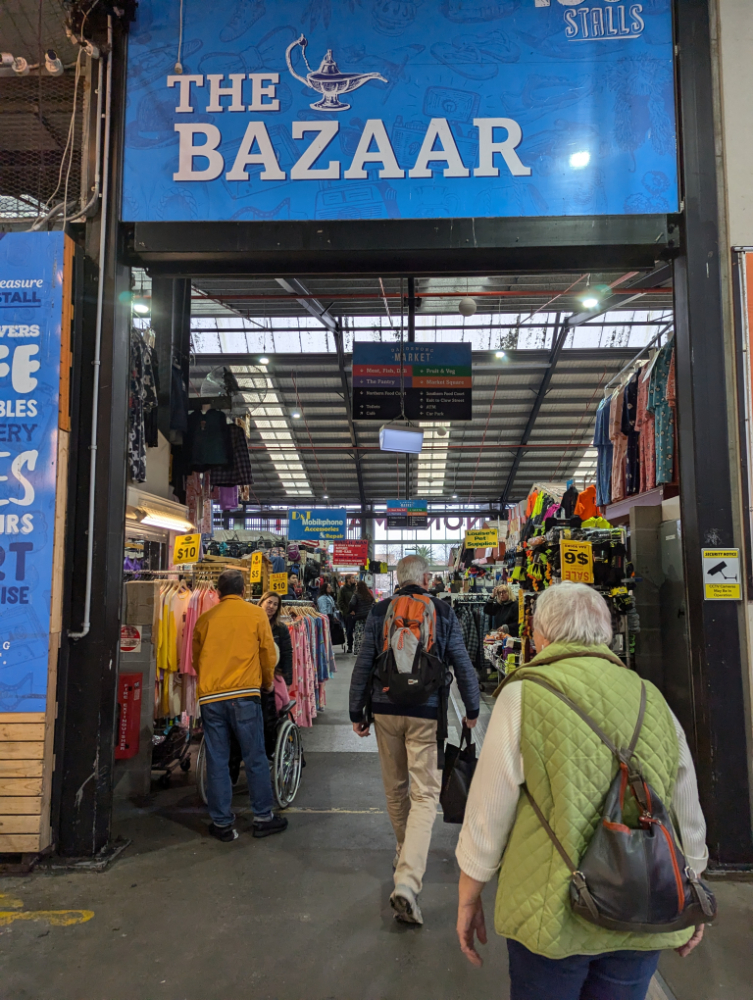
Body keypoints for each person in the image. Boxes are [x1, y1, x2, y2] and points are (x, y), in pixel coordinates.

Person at [455, 582, 708, 998]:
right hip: (642, 904)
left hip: (550, 909)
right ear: (605, 632)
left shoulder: (523, 695)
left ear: (540, 636)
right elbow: (685, 807)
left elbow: (489, 811)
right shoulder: (652, 697)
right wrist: (692, 882)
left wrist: (469, 896)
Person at [349, 555, 481, 927]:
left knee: (396, 788)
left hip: (384, 709)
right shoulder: (442, 610)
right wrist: (473, 707)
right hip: (426, 712)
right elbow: (461, 661)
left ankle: (404, 852)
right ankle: (407, 880)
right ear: (425, 578)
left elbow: (363, 664)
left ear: (397, 579)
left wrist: (355, 711)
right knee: (425, 795)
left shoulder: (379, 612)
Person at [192, 570, 289, 842]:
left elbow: (196, 660)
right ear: (244, 591)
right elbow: (268, 653)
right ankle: (262, 818)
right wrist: (268, 682)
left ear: (218, 592)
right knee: (255, 757)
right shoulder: (256, 615)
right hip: (245, 694)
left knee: (218, 759)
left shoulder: (204, 619)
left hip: (211, 697)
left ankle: (222, 823)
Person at [259, 590, 293, 685]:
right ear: (261, 602)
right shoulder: (252, 624)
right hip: (253, 676)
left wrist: (287, 681)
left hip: (274, 677)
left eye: (275, 604)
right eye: (269, 602)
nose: (271, 606)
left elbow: (287, 655)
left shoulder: (281, 628)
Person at [348, 580, 375, 656]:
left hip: (359, 617)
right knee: (368, 634)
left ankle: (358, 651)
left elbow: (351, 603)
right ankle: (368, 650)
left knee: (359, 634)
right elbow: (373, 603)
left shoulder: (356, 594)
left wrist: (352, 610)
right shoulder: (369, 594)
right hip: (368, 617)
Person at [338, 574, 357, 652]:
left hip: (357, 613)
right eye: (352, 578)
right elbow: (340, 602)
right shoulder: (343, 590)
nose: (354, 579)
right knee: (349, 631)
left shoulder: (355, 588)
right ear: (348, 579)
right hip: (348, 614)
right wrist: (348, 611)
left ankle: (357, 646)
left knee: (358, 630)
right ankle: (350, 646)